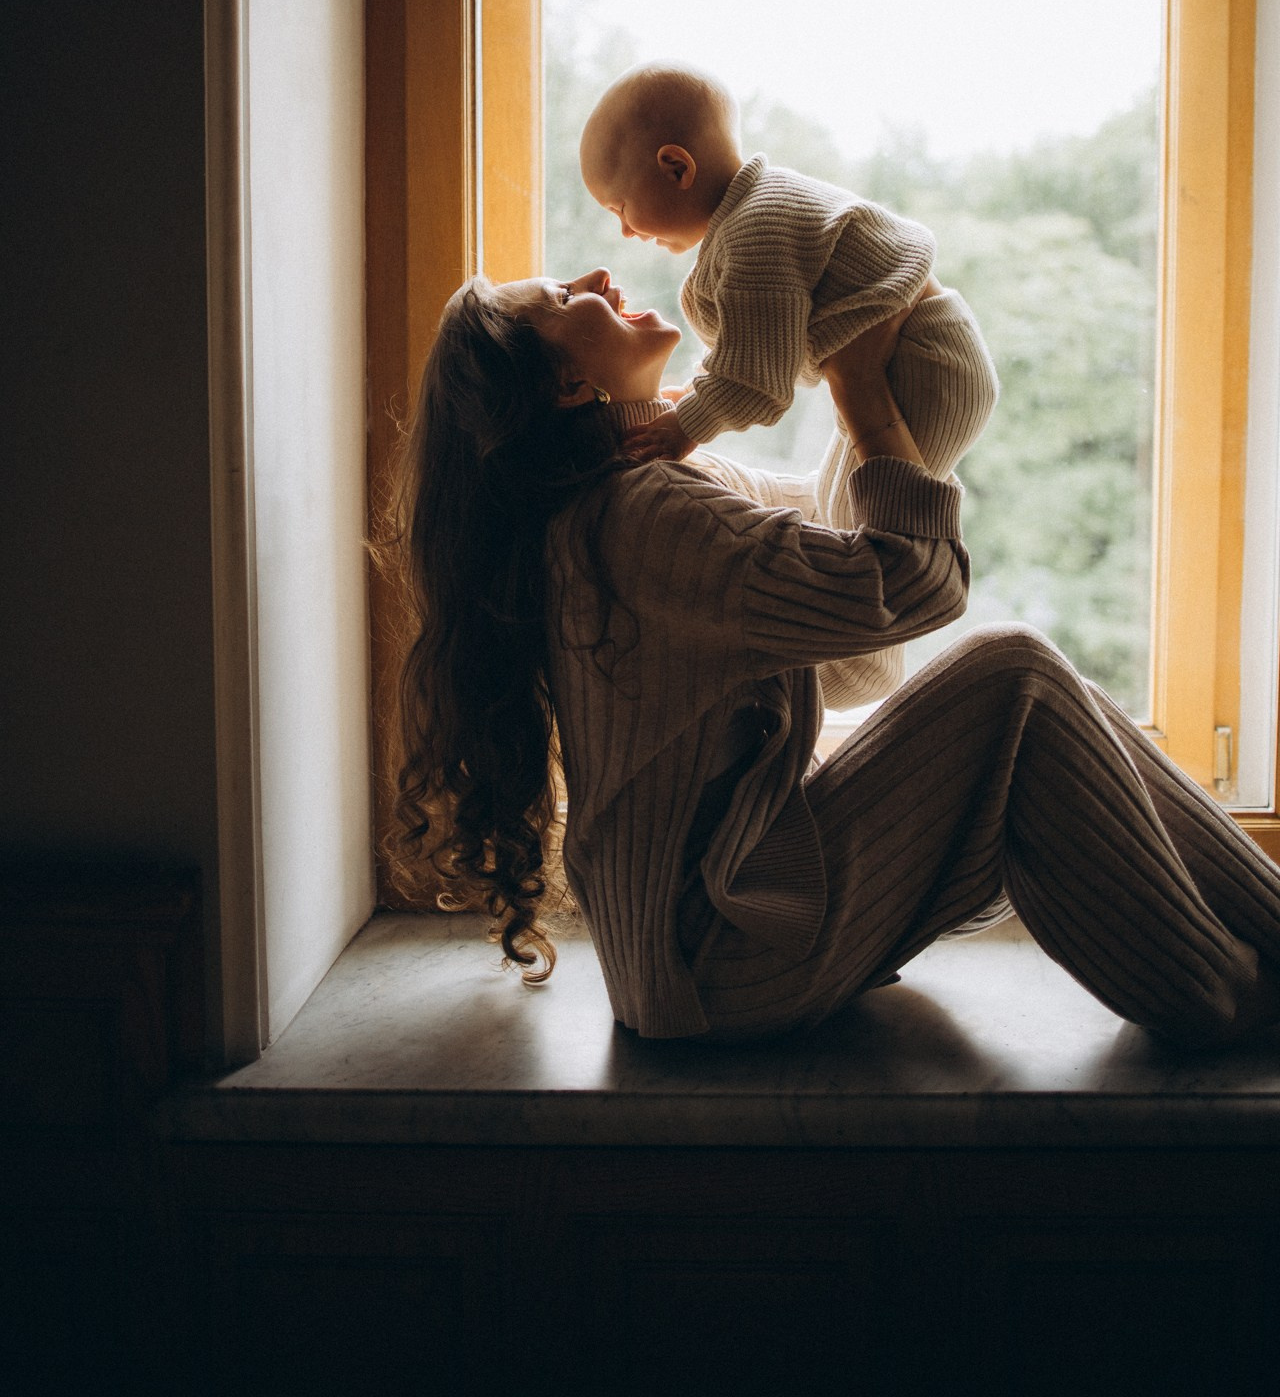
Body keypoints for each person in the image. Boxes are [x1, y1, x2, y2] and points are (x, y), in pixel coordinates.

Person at [390, 266, 1280, 1049]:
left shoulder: (644, 497)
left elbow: (828, 535)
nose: (595, 275)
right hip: (717, 965)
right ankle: (1222, 999)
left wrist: (869, 344)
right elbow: (906, 586)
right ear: (567, 384)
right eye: (560, 297)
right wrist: (862, 396)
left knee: (1055, 696)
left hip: (704, 956)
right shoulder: (637, 520)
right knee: (1018, 675)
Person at [579, 61, 999, 705]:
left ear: (675, 167)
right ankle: (844, 664)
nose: (627, 233)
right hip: (922, 357)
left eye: (622, 209)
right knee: (837, 506)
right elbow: (749, 355)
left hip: (929, 364)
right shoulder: (755, 214)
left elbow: (755, 380)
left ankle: (853, 665)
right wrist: (686, 406)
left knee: (852, 522)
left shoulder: (756, 234)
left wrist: (684, 427)